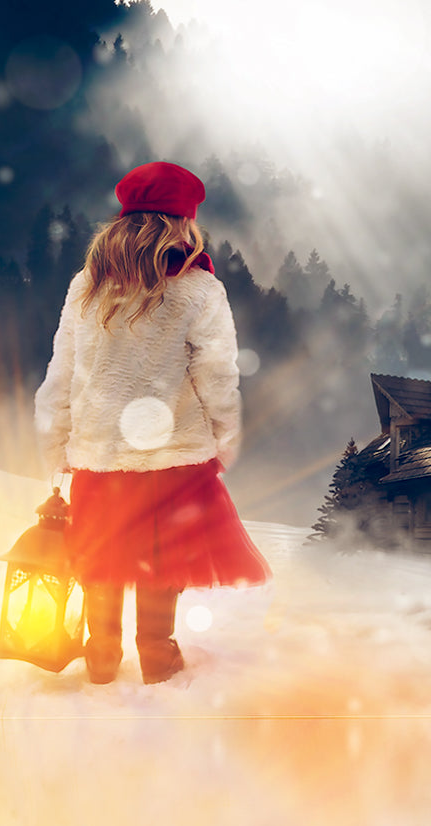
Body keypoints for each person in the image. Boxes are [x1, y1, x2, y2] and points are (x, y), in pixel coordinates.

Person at [34, 161, 271, 685]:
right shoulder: (199, 290)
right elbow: (217, 379)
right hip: (174, 455)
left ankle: (100, 656)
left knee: (103, 555)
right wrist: (224, 440)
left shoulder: (86, 286)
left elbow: (62, 374)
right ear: (183, 222)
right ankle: (157, 654)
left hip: (97, 454)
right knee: (161, 560)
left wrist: (54, 443)